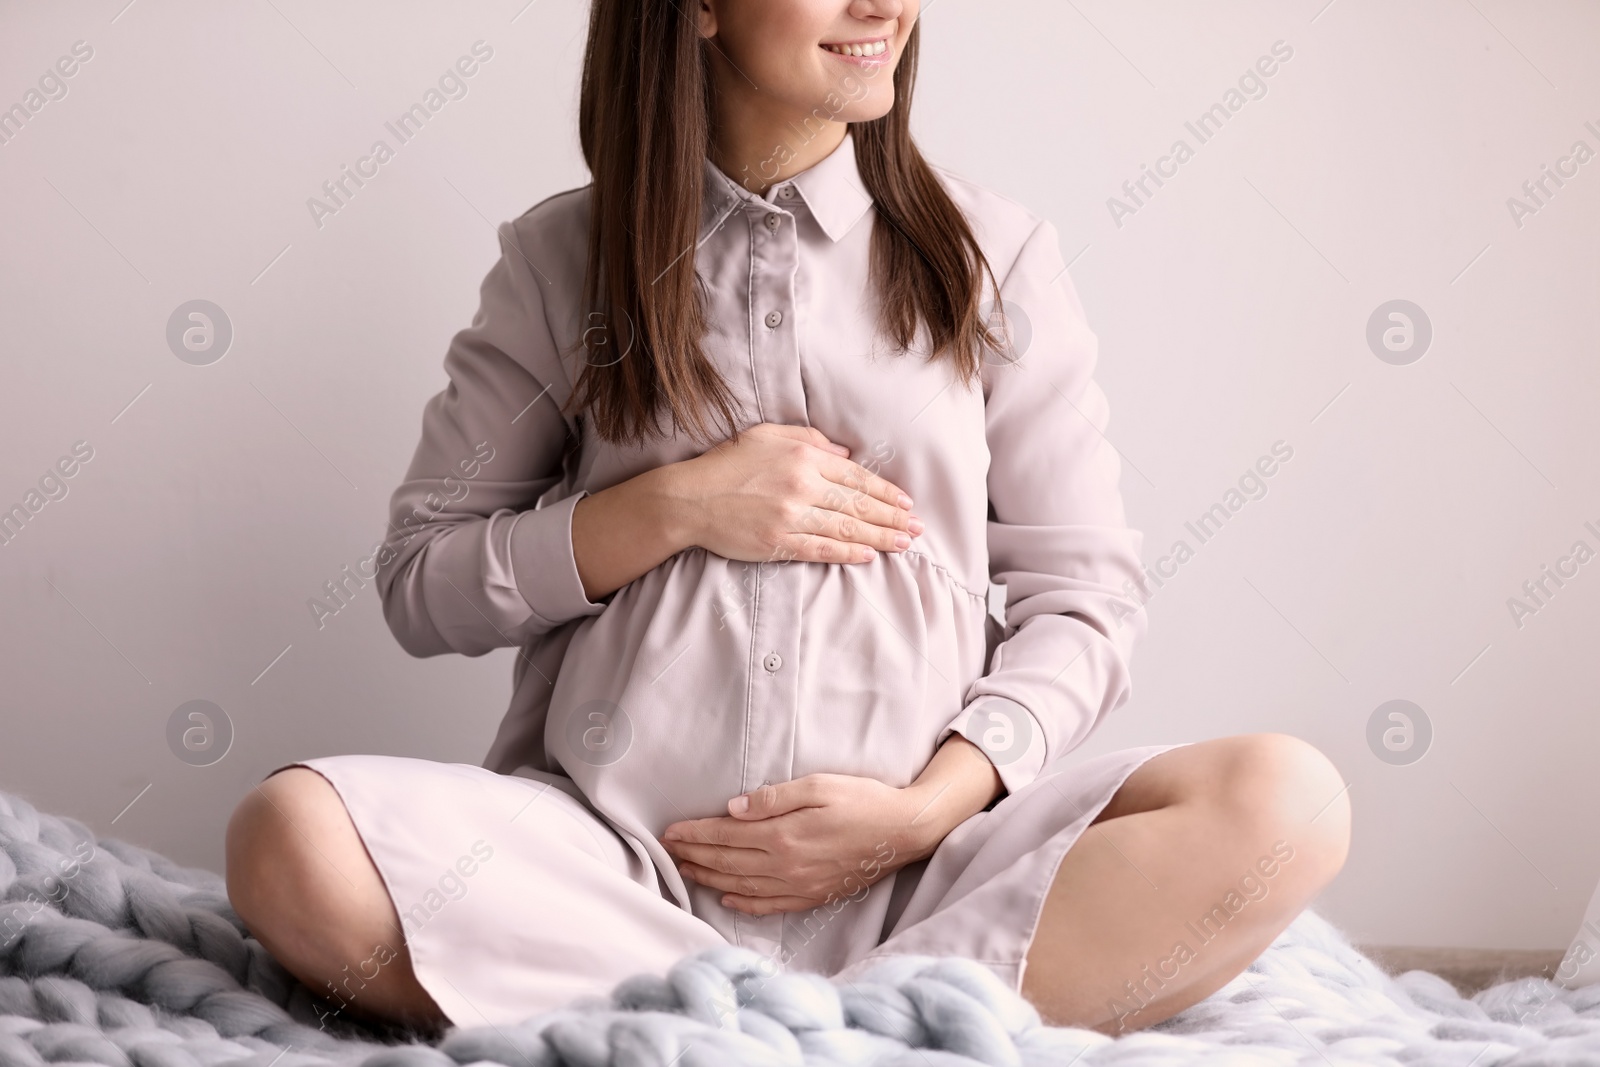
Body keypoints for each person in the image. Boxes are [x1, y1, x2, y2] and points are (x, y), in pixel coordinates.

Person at [225, 0, 1351, 1038]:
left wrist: (918, 812)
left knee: (1285, 802)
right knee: (289, 837)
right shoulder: (561, 260)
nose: (881, 6)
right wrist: (667, 506)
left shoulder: (990, 256)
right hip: (614, 873)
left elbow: (1087, 601)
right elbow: (422, 582)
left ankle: (776, 1022)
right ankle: (864, 1028)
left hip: (930, 878)